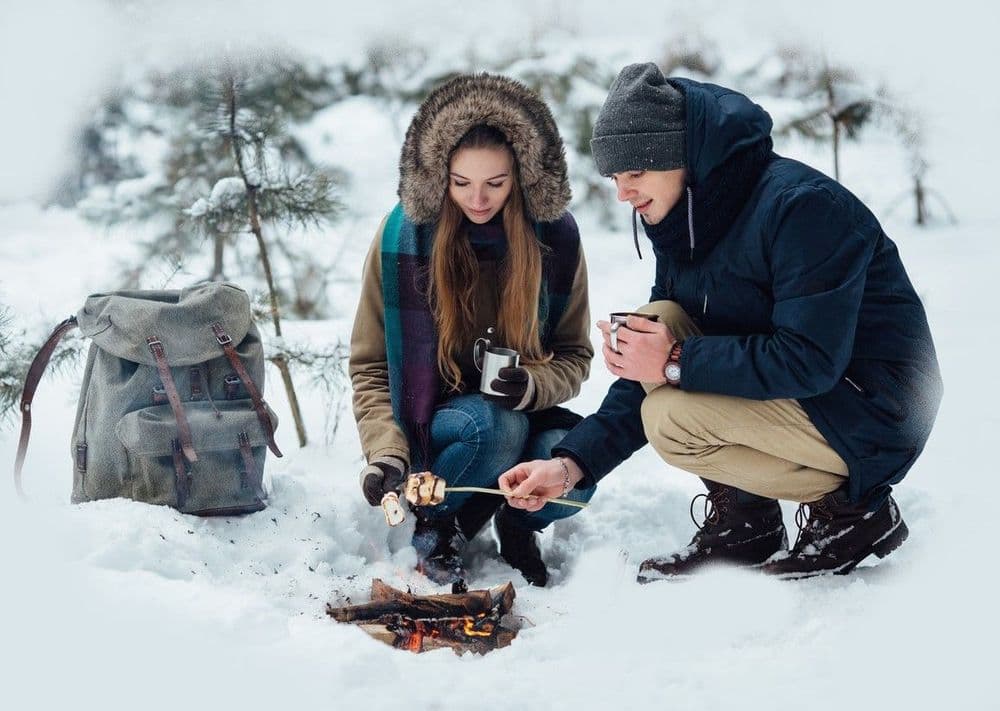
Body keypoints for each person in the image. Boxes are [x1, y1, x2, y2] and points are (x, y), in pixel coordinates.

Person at [498, 63, 943, 581]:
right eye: (615, 177)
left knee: (672, 419)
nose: (623, 193)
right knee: (657, 321)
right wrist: (571, 465)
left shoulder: (801, 209)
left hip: (877, 408)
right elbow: (655, 358)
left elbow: (812, 358)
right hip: (819, 399)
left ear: (678, 157)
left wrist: (675, 361)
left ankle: (853, 514)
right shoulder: (686, 216)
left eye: (635, 173)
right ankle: (746, 523)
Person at [349, 73, 595, 587]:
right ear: (440, 176)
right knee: (491, 424)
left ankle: (516, 522)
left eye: (495, 184)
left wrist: (531, 386)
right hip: (438, 429)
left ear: (522, 177)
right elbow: (371, 364)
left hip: (525, 413)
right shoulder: (404, 237)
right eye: (461, 183)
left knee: (576, 471)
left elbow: (574, 355)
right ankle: (438, 525)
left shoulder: (556, 240)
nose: (477, 200)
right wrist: (386, 453)